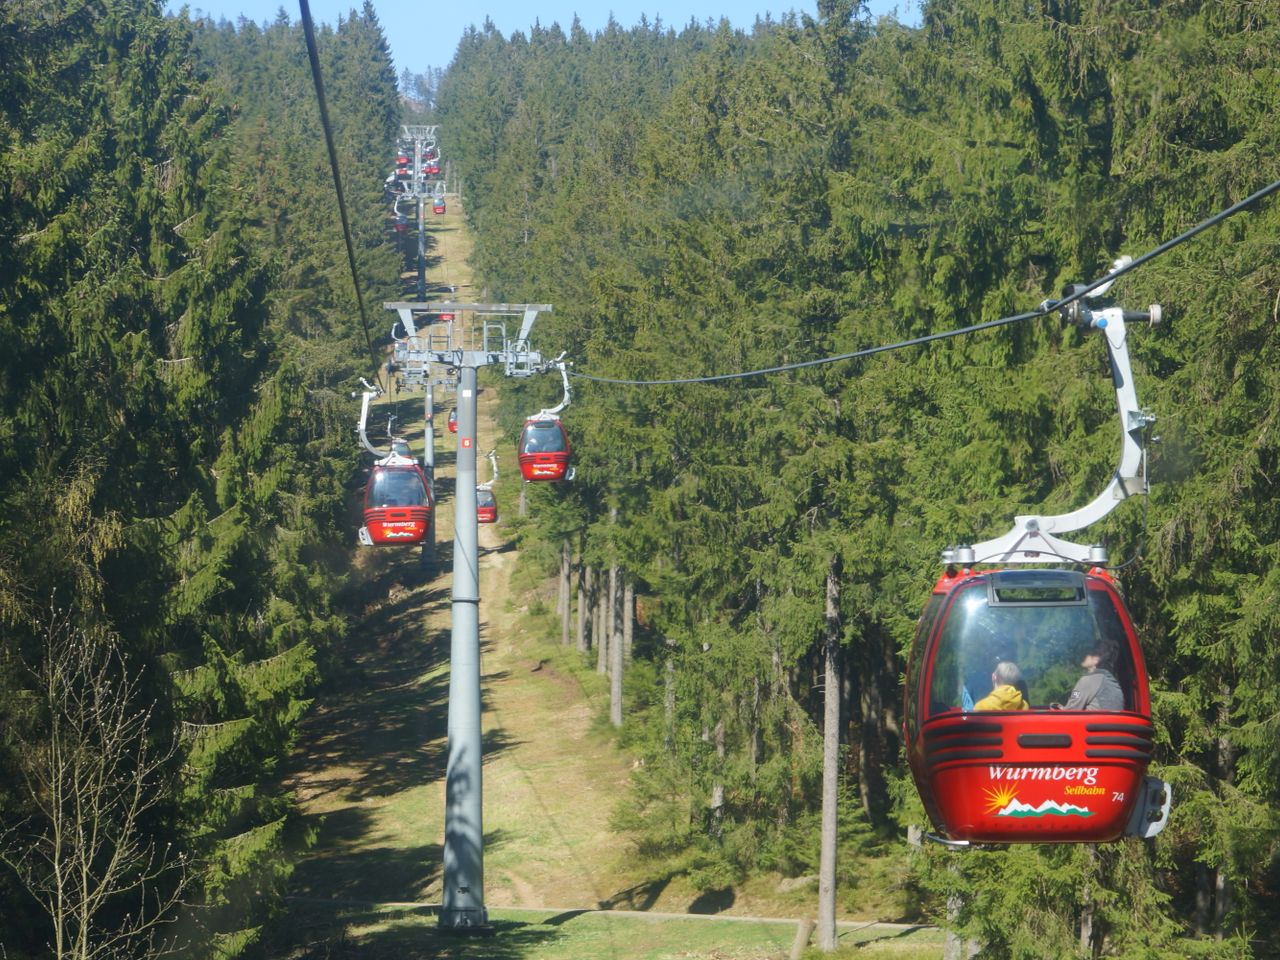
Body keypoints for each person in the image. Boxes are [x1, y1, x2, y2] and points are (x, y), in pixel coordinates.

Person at [1062, 647, 1125, 711]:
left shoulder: (1086, 681)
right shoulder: (1111, 681)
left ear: (1095, 660)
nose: (1082, 656)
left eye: (1086, 654)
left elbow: (1072, 708)